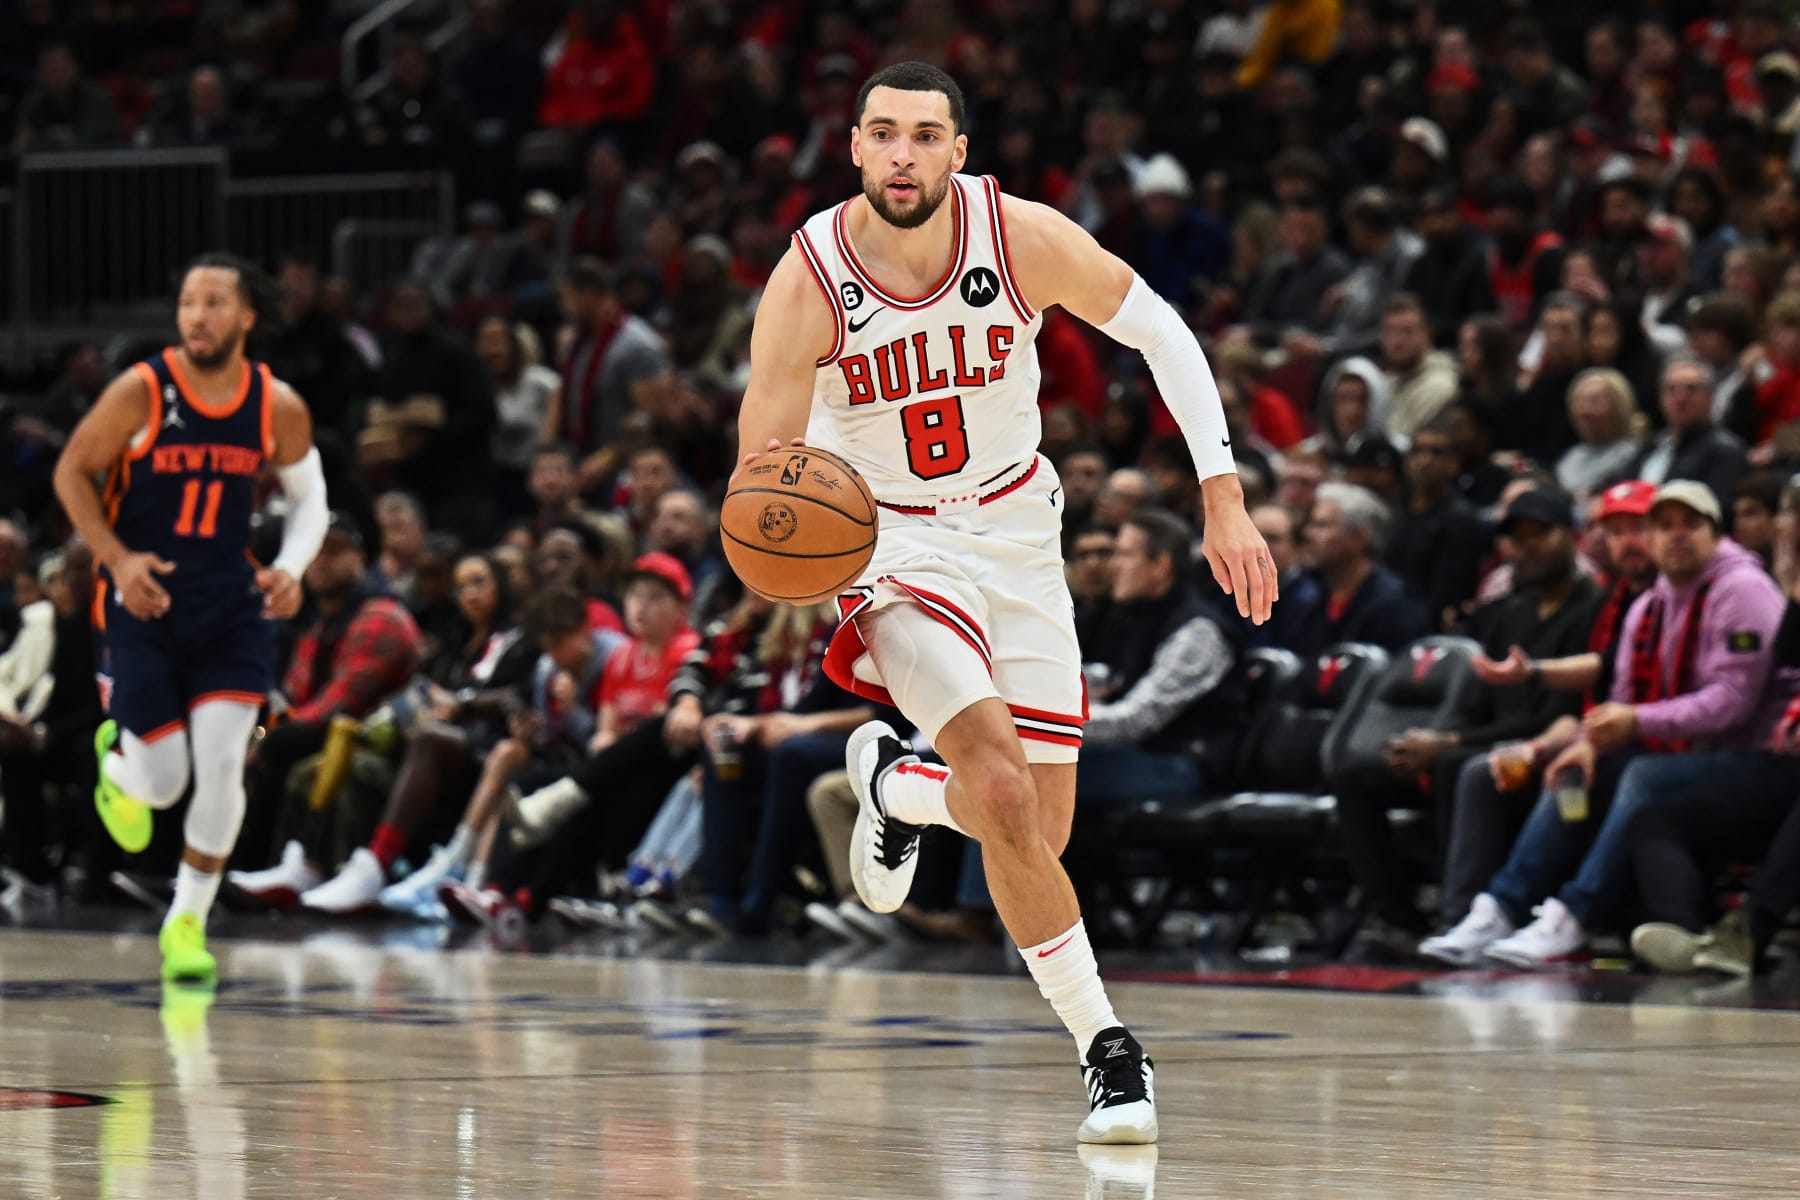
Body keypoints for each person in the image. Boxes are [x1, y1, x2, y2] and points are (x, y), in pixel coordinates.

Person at [733, 62, 1272, 1145]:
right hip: (891, 537)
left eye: (925, 135)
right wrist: (780, 549)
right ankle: (1109, 1049)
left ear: (958, 152)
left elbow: (1163, 331)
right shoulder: (808, 279)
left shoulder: (1017, 234)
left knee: (1036, 824)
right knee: (1001, 787)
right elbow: (766, 461)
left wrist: (1224, 495)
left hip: (1020, 530)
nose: (902, 154)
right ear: (852, 148)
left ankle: (897, 788)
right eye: (882, 134)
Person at [51, 253, 329, 983]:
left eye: (212, 302)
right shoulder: (142, 390)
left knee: (223, 766)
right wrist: (116, 560)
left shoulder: (275, 403)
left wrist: (292, 571)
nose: (196, 315)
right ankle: (119, 768)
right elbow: (70, 471)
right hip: (145, 606)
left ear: (246, 318)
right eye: (186, 302)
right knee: (165, 782)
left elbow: (312, 501)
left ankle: (186, 922)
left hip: (231, 609)